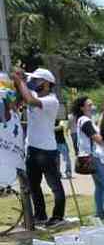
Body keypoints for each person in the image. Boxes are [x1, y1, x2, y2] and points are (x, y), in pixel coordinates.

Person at [13, 67, 65, 227]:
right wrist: (18, 82)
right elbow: (21, 98)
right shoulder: (34, 93)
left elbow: (29, 100)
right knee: (33, 185)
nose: (33, 83)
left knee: (54, 185)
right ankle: (40, 215)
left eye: (37, 80)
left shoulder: (51, 100)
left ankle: (58, 216)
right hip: (33, 148)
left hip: (47, 149)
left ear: (48, 84)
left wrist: (20, 81)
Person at [72, 97, 104, 219]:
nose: (92, 107)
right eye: (89, 105)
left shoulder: (82, 120)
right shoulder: (85, 120)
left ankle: (100, 212)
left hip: (88, 156)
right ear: (82, 107)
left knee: (100, 186)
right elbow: (95, 137)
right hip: (94, 156)